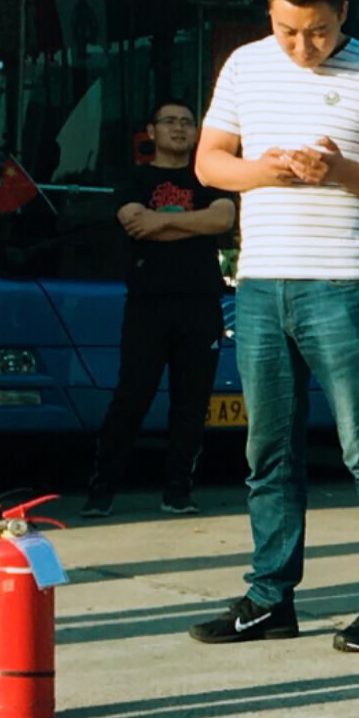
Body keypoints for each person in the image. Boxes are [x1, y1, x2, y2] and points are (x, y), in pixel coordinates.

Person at [187, 0, 359, 653]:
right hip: (261, 283)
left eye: (317, 32)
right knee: (267, 450)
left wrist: (339, 169)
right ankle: (270, 596)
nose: (302, 46)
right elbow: (209, 163)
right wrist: (265, 169)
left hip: (342, 282)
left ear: (342, 13)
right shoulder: (244, 67)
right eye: (287, 31)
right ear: (269, 15)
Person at [85, 99, 235, 517]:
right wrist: (189, 223)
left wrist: (161, 221)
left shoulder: (209, 178)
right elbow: (136, 223)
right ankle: (101, 490)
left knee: (192, 403)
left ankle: (178, 491)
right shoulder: (134, 179)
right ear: (151, 132)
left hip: (201, 304)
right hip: (147, 304)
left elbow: (221, 220)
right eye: (169, 121)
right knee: (131, 397)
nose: (179, 128)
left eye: (187, 122)